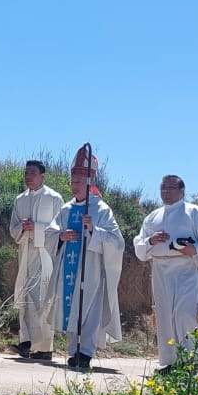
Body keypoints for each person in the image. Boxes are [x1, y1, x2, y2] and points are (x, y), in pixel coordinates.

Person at [134, 175, 198, 373]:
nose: (166, 192)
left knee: (185, 314)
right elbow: (140, 243)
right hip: (161, 270)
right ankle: (170, 362)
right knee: (165, 316)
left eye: (171, 188)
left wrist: (196, 249)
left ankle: (191, 360)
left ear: (182, 191)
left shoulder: (194, 212)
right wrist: (151, 241)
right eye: (163, 188)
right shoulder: (153, 216)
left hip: (187, 269)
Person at [47, 149, 124, 371]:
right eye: (72, 181)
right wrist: (61, 236)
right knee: (71, 309)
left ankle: (86, 353)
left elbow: (117, 242)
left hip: (91, 268)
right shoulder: (65, 209)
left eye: (79, 180)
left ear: (89, 181)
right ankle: (73, 352)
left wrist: (94, 230)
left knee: (88, 309)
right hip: (70, 267)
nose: (75, 184)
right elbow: (51, 234)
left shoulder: (101, 209)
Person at [9, 160, 64, 360]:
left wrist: (37, 227)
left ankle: (43, 348)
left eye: (32, 173)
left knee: (41, 298)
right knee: (23, 295)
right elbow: (13, 227)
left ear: (43, 176)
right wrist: (23, 227)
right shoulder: (20, 199)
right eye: (26, 172)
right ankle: (25, 342)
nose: (28, 176)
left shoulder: (54, 198)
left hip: (44, 254)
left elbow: (59, 228)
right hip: (25, 251)